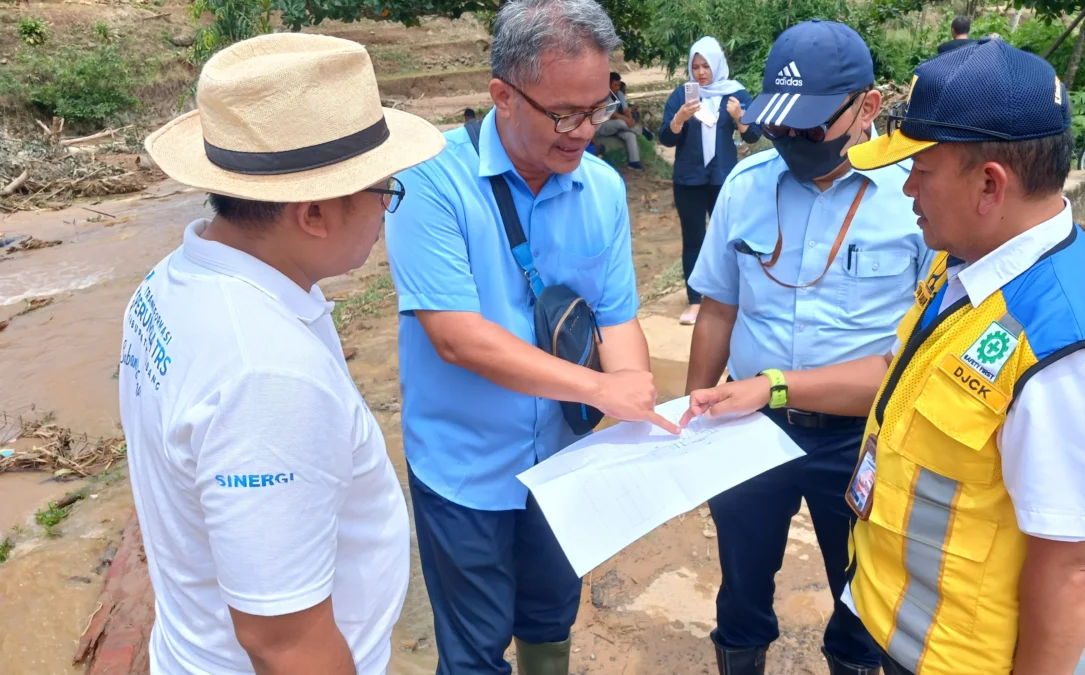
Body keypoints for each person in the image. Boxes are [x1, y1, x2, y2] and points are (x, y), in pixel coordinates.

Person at [693, 38, 1085, 675]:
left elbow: (1073, 566)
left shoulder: (1067, 353)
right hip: (912, 638)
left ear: (990, 185)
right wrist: (773, 386)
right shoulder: (968, 268)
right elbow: (897, 371)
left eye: (922, 168)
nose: (906, 185)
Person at [118, 33, 444, 675]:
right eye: (384, 191)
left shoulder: (170, 281)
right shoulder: (265, 374)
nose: (387, 210)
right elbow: (283, 642)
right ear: (316, 214)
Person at [386, 1, 679, 673]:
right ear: (503, 97)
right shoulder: (431, 180)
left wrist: (633, 393)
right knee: (476, 644)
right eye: (564, 114)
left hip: (562, 463)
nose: (584, 132)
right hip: (465, 468)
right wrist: (602, 385)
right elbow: (458, 336)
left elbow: (614, 314)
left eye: (599, 107)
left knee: (550, 616)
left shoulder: (601, 190)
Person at [680, 19, 931, 675]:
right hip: (746, 425)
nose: (790, 141)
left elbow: (919, 360)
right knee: (739, 583)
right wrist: (691, 418)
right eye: (779, 125)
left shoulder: (917, 200)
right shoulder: (746, 186)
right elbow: (716, 310)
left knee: (862, 593)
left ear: (868, 107)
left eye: (809, 126)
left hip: (860, 441)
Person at [660, 36, 761, 326]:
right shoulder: (682, 95)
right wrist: (679, 118)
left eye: (706, 66)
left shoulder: (735, 93)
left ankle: (729, 297)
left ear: (717, 64)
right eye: (695, 66)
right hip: (689, 179)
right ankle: (695, 301)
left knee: (729, 239)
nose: (701, 72)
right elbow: (666, 138)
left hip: (723, 178)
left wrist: (740, 118)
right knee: (693, 239)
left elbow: (753, 135)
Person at [595, 71, 653, 171]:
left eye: (619, 85)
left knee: (630, 135)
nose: (617, 88)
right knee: (621, 122)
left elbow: (626, 110)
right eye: (615, 85)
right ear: (607, 84)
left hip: (618, 125)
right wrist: (627, 120)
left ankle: (634, 162)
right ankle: (641, 130)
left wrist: (630, 118)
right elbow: (612, 114)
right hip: (603, 126)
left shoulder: (620, 94)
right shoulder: (602, 96)